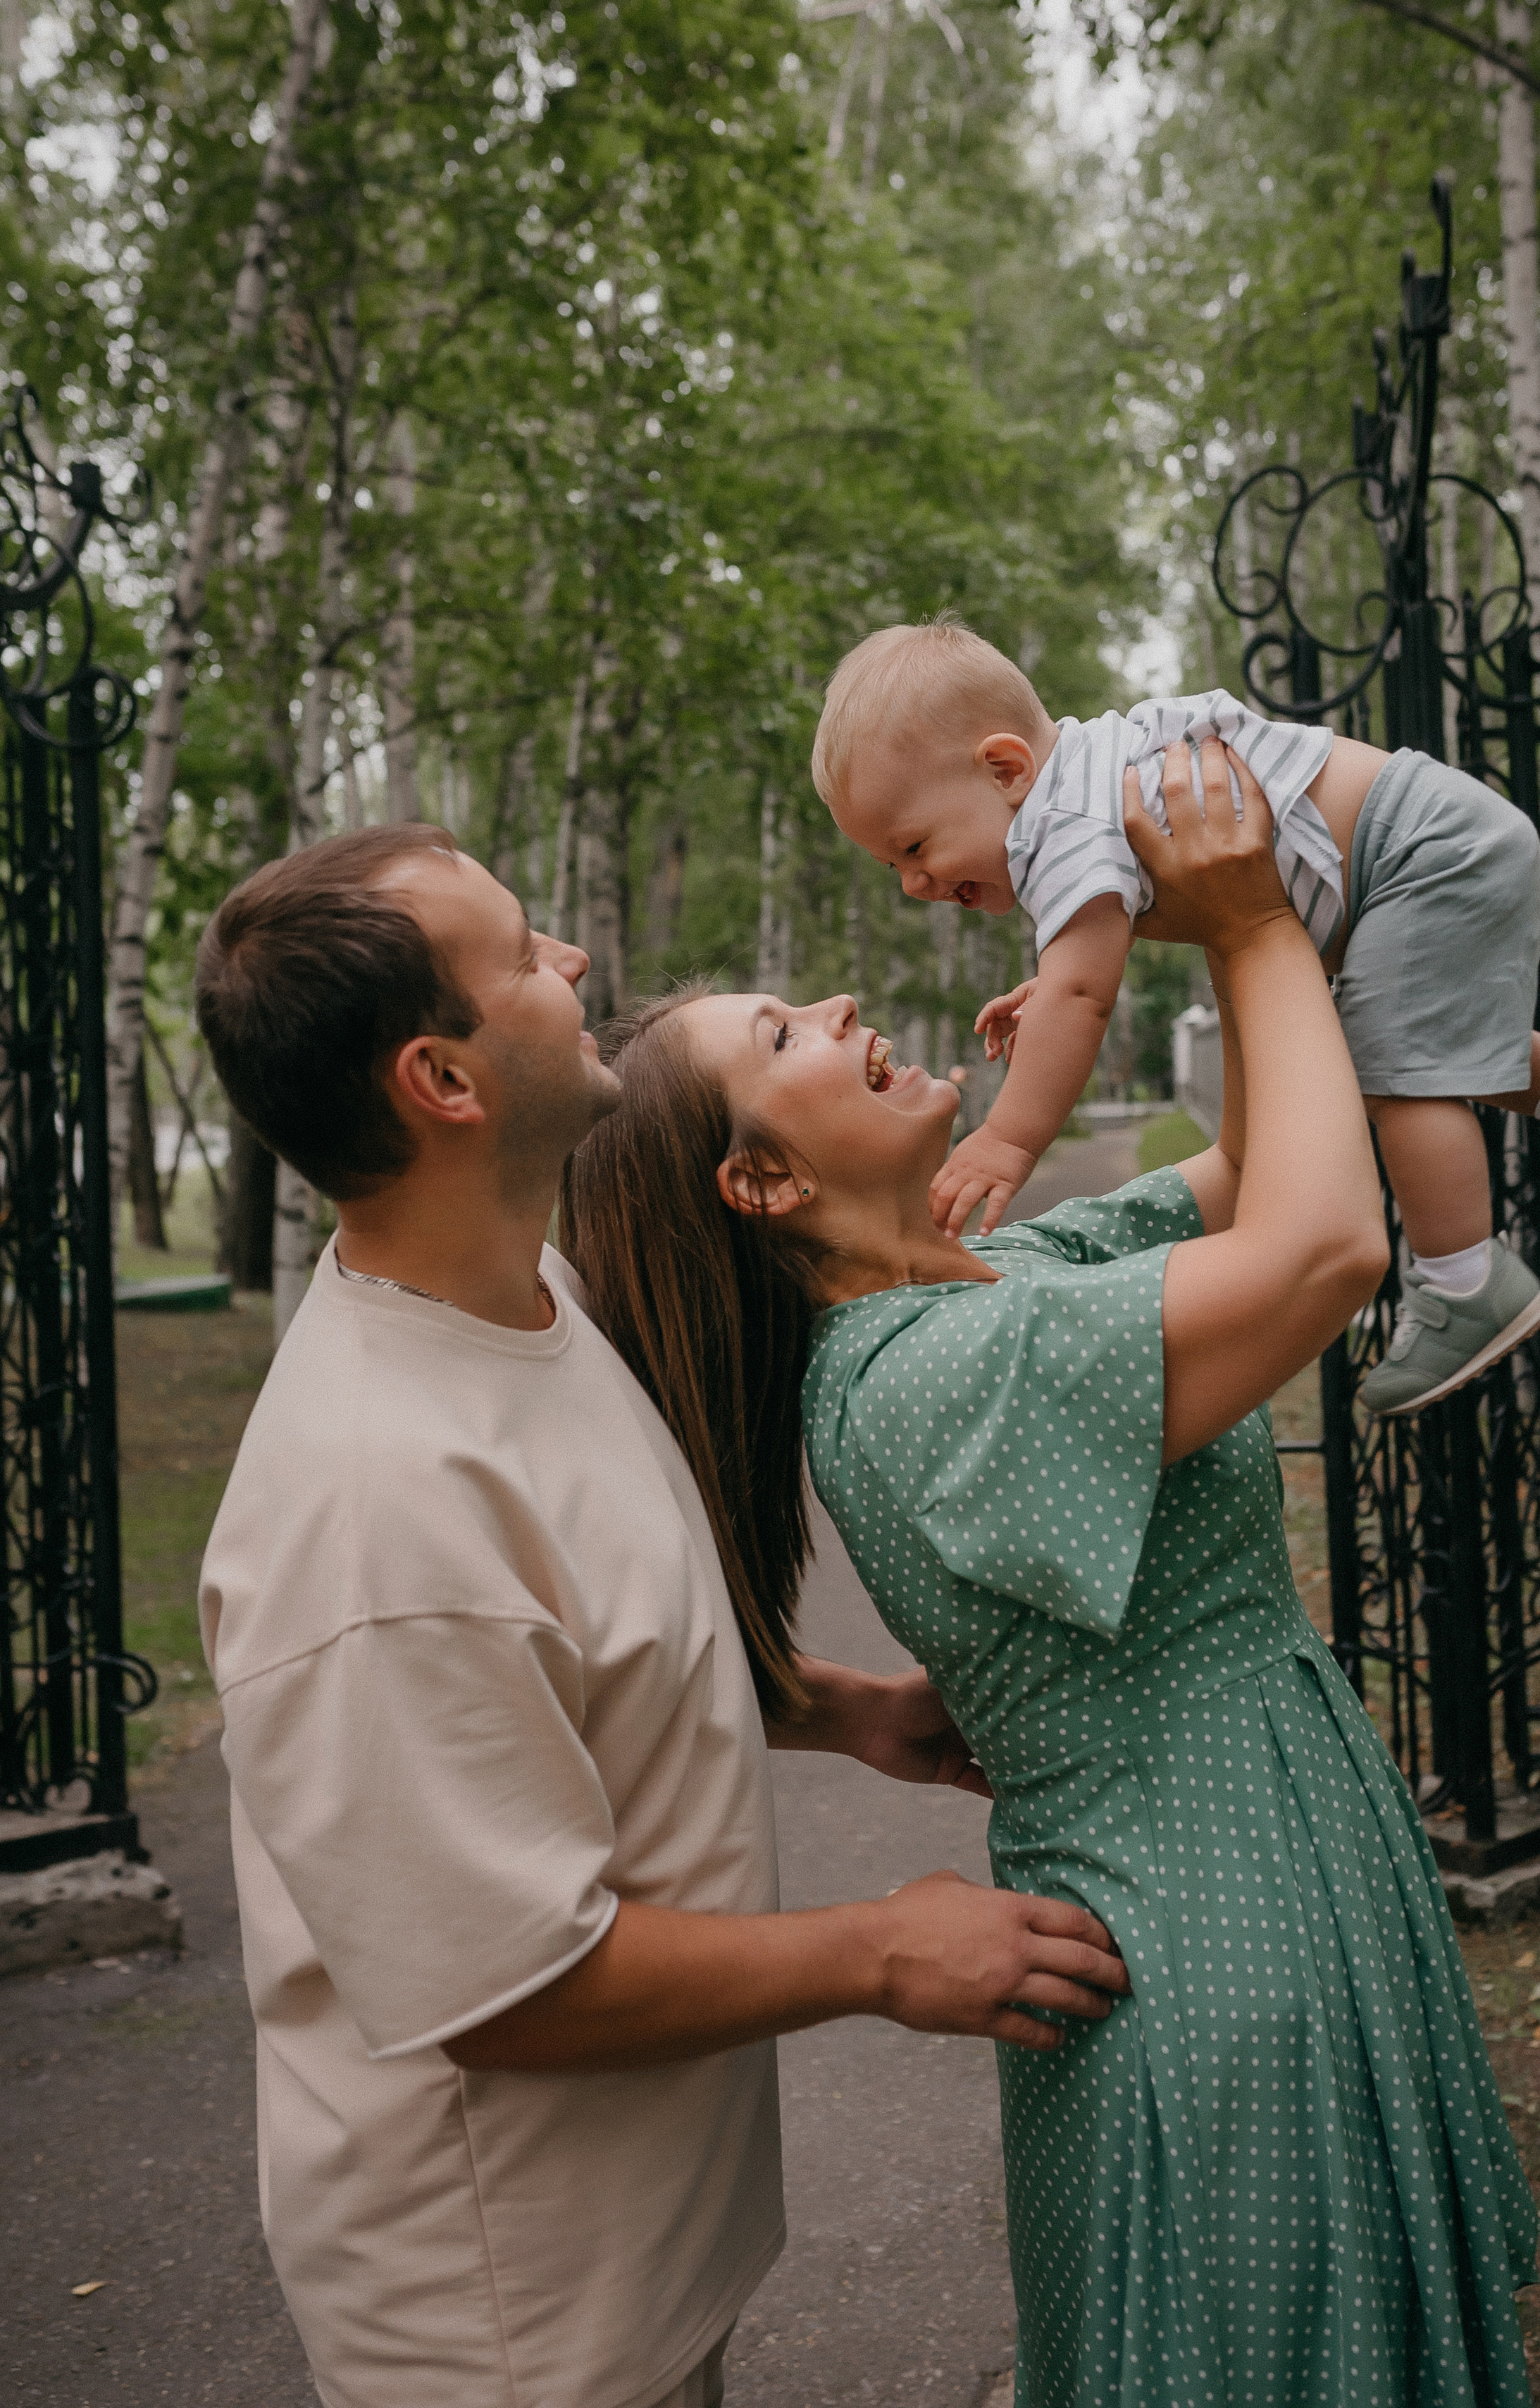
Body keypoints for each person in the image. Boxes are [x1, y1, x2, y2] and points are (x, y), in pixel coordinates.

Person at [562, 742, 1539, 2408]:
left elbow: (1271, 1164)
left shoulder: (999, 1259)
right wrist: (1244, 929)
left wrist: (1179, 923)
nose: (843, 998)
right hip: (1206, 1944)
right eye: (783, 1035)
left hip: (1285, 1850)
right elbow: (1320, 1246)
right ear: (764, 1182)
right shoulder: (923, 1375)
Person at [192, 822, 1126, 2408]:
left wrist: (840, 1710)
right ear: (445, 1081)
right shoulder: (372, 1509)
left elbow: (560, 1661)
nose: (573, 966)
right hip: (510, 2329)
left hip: (632, 2264)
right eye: (523, 956)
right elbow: (513, 1985)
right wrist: (881, 1951)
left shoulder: (528, 1302)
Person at [809, 617, 1540, 1416]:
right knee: (1418, 1034)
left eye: (915, 847)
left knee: (1394, 1069)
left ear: (1003, 771)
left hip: (1414, 854)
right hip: (1431, 837)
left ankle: (1464, 1282)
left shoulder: (1057, 822)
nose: (913, 884)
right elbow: (1081, 973)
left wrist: (1009, 1137)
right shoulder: (1080, 786)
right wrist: (1052, 986)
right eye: (894, 865)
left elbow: (1085, 993)